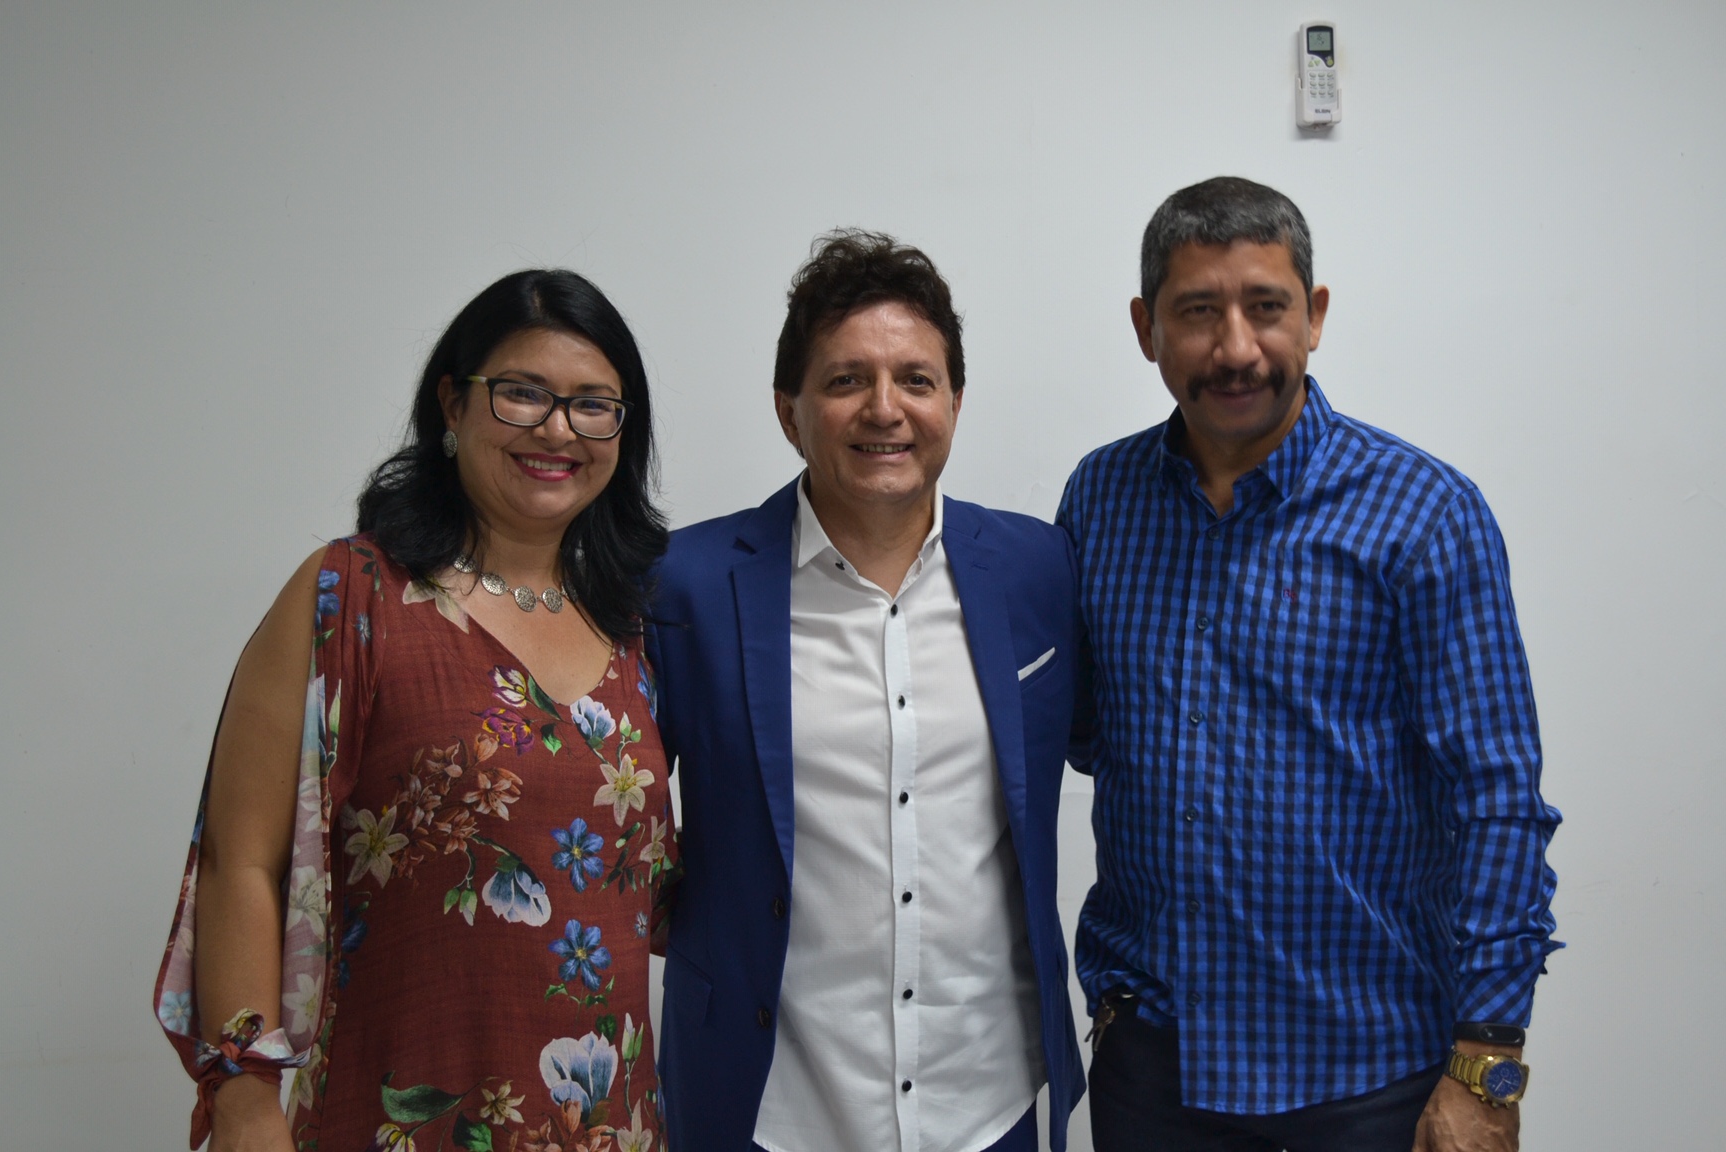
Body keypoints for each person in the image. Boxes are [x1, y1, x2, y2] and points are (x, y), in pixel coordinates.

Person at [1058, 177, 1562, 1152]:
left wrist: (1487, 1066)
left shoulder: (1424, 514)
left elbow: (1496, 801)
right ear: (1145, 328)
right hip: (1157, 1070)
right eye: (1196, 312)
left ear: (1315, 316)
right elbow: (1086, 734)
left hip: (1371, 1074)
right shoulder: (1101, 499)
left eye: (1266, 307)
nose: (1235, 348)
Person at [153, 270, 678, 1152]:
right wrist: (243, 1095)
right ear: (451, 404)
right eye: (522, 393)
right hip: (394, 1117)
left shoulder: (639, 629)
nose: (558, 429)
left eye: (594, 405)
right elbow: (243, 859)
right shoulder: (351, 595)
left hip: (608, 1127)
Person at [647, 230, 1086, 1152]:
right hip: (773, 1107)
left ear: (954, 402)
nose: (885, 409)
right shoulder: (685, 585)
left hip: (987, 1101)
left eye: (916, 380)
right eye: (847, 380)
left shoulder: (1040, 569)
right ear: (789, 410)